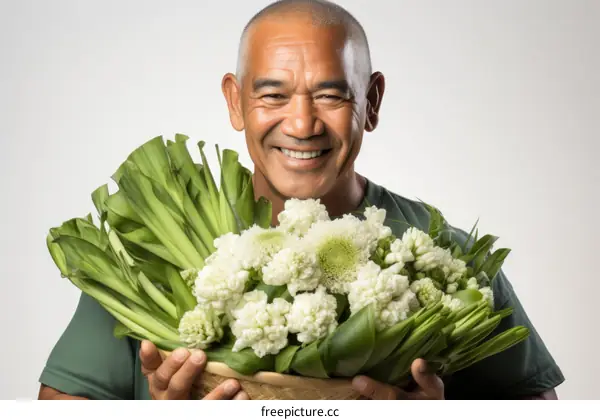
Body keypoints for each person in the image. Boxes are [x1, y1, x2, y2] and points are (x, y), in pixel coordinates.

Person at [38, 0, 564, 400]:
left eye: (331, 94)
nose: (302, 123)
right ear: (234, 101)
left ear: (372, 101)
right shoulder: (147, 253)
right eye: (272, 94)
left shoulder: (448, 260)